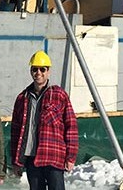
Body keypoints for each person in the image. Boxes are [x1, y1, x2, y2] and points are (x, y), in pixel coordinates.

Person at [10, 51, 78, 190]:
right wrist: (16, 161)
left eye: (42, 69)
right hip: (32, 158)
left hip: (53, 156)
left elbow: (71, 126)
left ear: (48, 71)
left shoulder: (59, 94)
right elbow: (16, 131)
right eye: (35, 69)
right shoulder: (22, 98)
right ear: (31, 71)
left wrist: (71, 156)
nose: (38, 73)